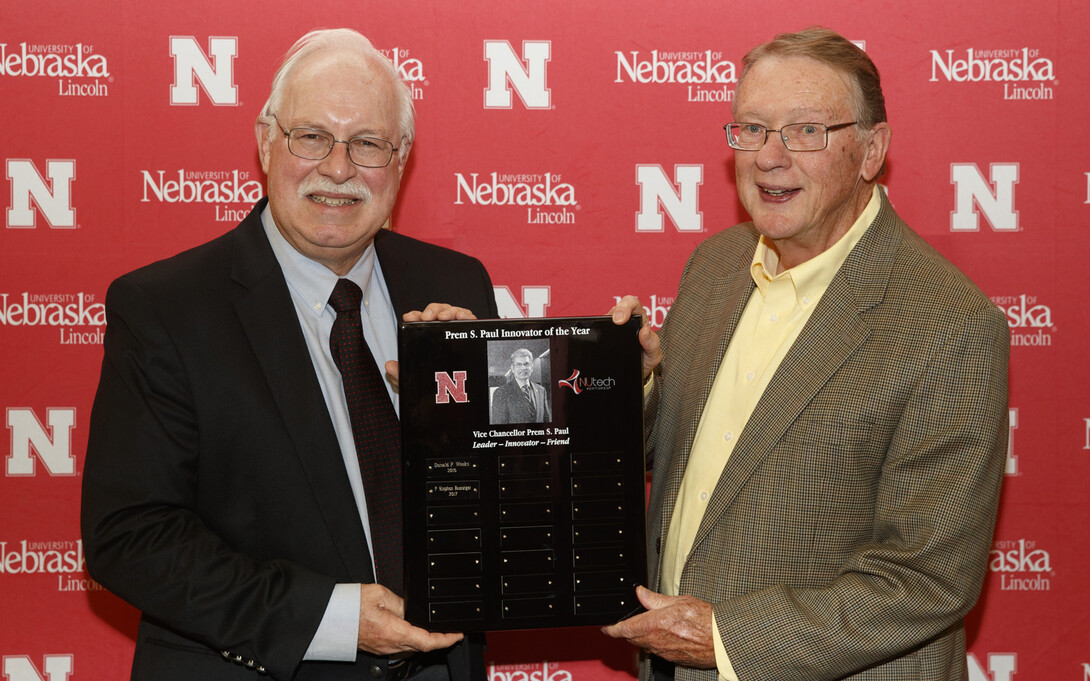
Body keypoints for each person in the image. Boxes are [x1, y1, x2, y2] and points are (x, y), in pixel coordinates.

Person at [81, 28, 497, 681]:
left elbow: (500, 502)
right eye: (312, 136)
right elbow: (130, 536)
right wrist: (331, 619)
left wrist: (497, 399)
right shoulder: (166, 307)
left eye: (368, 144)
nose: (338, 168)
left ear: (403, 158)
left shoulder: (457, 287)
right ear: (266, 141)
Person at [603, 27, 1010, 681]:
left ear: (871, 149)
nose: (769, 157)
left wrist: (726, 638)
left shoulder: (952, 325)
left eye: (806, 132)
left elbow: (926, 577)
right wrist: (638, 389)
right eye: (752, 128)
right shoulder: (715, 265)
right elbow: (683, 459)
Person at [490, 348, 551, 424]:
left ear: (531, 367)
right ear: (512, 368)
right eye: (519, 364)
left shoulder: (541, 390)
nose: (523, 368)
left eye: (526, 364)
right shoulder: (501, 393)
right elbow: (499, 426)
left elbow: (546, 421)